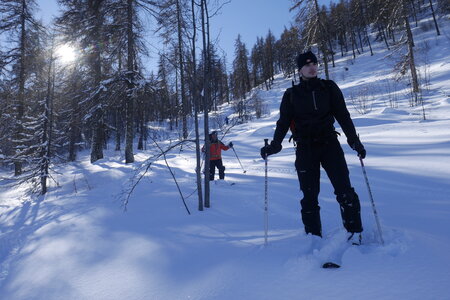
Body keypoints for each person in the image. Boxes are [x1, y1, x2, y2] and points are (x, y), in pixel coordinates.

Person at [260, 51, 366, 244]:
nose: (312, 67)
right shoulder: (292, 95)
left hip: (329, 144)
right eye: (307, 64)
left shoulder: (329, 88)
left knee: (344, 190)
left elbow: (343, 116)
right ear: (300, 70)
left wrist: (354, 141)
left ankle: (354, 232)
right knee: (309, 195)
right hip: (305, 148)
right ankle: (313, 238)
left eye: (314, 63)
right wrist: (275, 145)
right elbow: (283, 123)